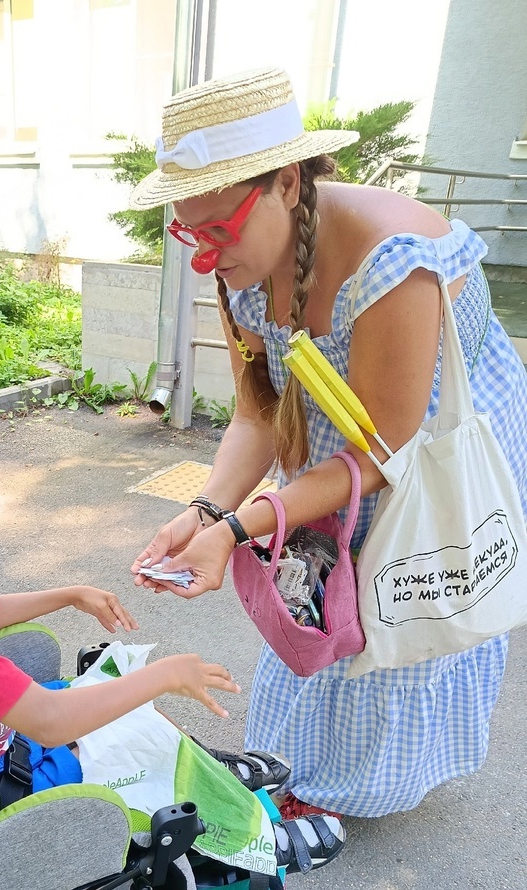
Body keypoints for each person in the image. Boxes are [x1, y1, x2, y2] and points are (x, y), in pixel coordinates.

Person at [129, 67, 527, 821]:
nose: (204, 256)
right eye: (189, 231)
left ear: (285, 181)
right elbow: (256, 415)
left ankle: (364, 786)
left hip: (436, 441)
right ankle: (306, 765)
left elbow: (381, 453)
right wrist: (211, 512)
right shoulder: (245, 266)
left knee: (397, 587)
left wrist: (248, 525)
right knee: (322, 579)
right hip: (358, 435)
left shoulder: (391, 258)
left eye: (217, 231)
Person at [0, 401, 344, 877]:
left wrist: (69, 594)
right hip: (6, 777)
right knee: (136, 728)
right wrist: (165, 675)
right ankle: (249, 842)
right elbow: (50, 722)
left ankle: (200, 767)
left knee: (126, 708)